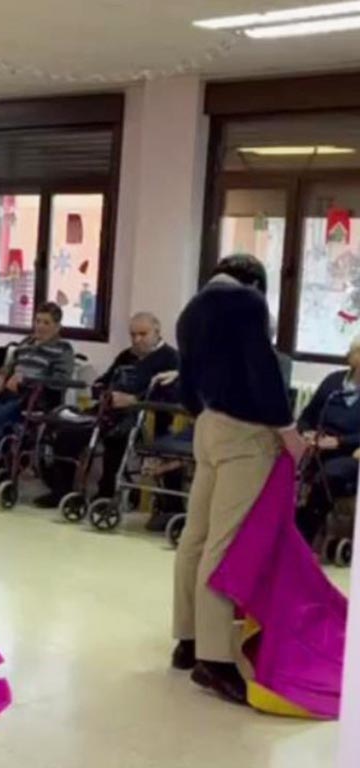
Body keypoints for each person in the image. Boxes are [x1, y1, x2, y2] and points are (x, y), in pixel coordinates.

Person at [171, 254, 306, 705]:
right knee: (223, 542)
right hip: (246, 434)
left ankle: (187, 639)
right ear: (256, 282)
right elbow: (261, 368)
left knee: (195, 537)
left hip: (207, 426)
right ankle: (215, 660)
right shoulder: (247, 303)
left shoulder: (192, 309)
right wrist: (287, 429)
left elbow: (187, 383)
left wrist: (208, 414)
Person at [36, 312, 181, 521]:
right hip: (109, 410)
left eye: (143, 334)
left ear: (157, 332)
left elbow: (172, 395)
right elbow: (103, 381)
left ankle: (106, 493)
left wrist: (134, 400)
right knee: (68, 431)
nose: (137, 340)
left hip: (145, 415)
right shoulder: (126, 356)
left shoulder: (170, 358)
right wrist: (103, 392)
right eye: (133, 335)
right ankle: (63, 490)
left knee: (117, 437)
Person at [0, 302, 74, 470]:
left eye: (46, 322)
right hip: (8, 393)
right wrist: (0, 376)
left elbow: (59, 381)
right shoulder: (26, 342)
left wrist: (25, 381)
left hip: (34, 399)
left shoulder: (63, 349)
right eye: (38, 321)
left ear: (57, 327)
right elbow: (9, 366)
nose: (40, 326)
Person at [294, 336, 360, 545]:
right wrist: (307, 432)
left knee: (328, 475)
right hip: (317, 446)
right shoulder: (333, 381)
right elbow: (307, 415)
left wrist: (339, 441)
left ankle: (302, 538)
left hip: (350, 454)